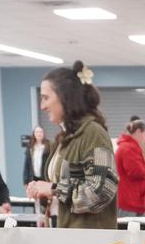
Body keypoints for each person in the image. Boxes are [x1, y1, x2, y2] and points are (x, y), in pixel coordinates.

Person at [25, 61, 118, 229]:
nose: (42, 106)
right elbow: (67, 192)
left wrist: (53, 189)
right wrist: (42, 192)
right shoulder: (63, 138)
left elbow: (101, 193)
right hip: (66, 236)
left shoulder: (93, 133)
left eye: (46, 98)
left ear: (64, 97)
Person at [116, 117, 145, 217]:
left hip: (132, 199)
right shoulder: (129, 147)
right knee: (128, 231)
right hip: (130, 201)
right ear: (138, 132)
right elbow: (136, 171)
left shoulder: (127, 146)